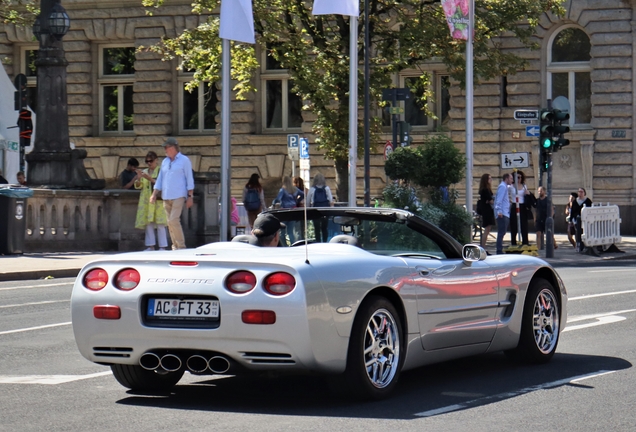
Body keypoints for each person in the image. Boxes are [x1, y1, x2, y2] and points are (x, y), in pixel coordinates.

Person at [150, 137, 195, 250]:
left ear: (173, 147)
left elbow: (189, 179)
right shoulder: (165, 161)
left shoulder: (184, 160)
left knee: (174, 220)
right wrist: (154, 194)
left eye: (166, 147)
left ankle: (181, 246)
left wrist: (190, 196)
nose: (165, 150)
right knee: (169, 222)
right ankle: (175, 246)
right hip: (166, 196)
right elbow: (160, 179)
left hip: (179, 195)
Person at [134, 151, 168, 251]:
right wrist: (139, 179)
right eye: (147, 161)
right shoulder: (144, 171)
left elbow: (163, 184)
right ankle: (150, 246)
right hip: (146, 200)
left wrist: (150, 179)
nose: (149, 163)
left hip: (158, 200)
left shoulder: (161, 171)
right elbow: (138, 186)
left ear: (156, 160)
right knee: (149, 223)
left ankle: (163, 246)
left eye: (151, 161)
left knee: (160, 223)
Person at [274, 176, 303, 245]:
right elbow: (302, 194)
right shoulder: (294, 189)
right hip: (293, 210)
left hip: (285, 211)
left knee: (282, 232)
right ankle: (293, 245)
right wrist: (297, 201)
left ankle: (285, 246)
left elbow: (278, 199)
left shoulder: (283, 190)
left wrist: (273, 203)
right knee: (290, 231)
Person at [508, 170, 532, 246]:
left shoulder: (524, 186)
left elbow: (526, 195)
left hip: (522, 206)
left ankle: (525, 242)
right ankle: (513, 242)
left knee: (524, 225)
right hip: (515, 205)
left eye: (521, 177)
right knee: (514, 225)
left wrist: (527, 193)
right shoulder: (510, 187)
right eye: (518, 177)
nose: (519, 179)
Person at [308, 172, 334, 242]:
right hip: (325, 210)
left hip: (315, 210)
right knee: (324, 228)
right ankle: (325, 242)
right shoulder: (327, 188)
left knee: (317, 228)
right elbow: (331, 200)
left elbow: (308, 201)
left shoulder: (312, 189)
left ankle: (318, 242)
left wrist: (308, 209)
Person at [534, 186, 557, 251]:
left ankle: (554, 244)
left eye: (541, 191)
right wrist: (535, 218)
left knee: (549, 233)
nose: (539, 192)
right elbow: (536, 210)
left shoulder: (547, 200)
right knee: (538, 233)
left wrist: (551, 218)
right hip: (539, 219)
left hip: (546, 218)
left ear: (544, 191)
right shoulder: (537, 200)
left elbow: (552, 209)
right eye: (538, 191)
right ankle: (538, 248)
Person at [494, 173, 513, 254]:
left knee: (502, 232)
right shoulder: (502, 186)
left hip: (505, 212)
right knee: (501, 232)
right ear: (506, 179)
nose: (512, 180)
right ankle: (499, 250)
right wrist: (499, 211)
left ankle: (499, 249)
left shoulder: (505, 186)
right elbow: (499, 200)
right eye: (511, 178)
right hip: (502, 213)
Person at [571, 187, 593, 252]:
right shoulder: (575, 201)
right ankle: (578, 246)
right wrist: (571, 220)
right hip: (577, 220)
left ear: (584, 193)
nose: (580, 193)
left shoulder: (587, 201)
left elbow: (590, 210)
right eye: (579, 192)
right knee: (578, 233)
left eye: (581, 192)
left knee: (585, 233)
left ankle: (585, 245)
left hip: (586, 220)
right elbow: (572, 211)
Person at [477, 173, 495, 248]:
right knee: (487, 229)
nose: (491, 180)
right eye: (489, 178)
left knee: (487, 229)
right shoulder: (485, 189)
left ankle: (483, 246)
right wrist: (491, 200)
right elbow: (491, 201)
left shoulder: (485, 189)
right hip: (487, 210)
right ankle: (483, 246)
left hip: (486, 209)